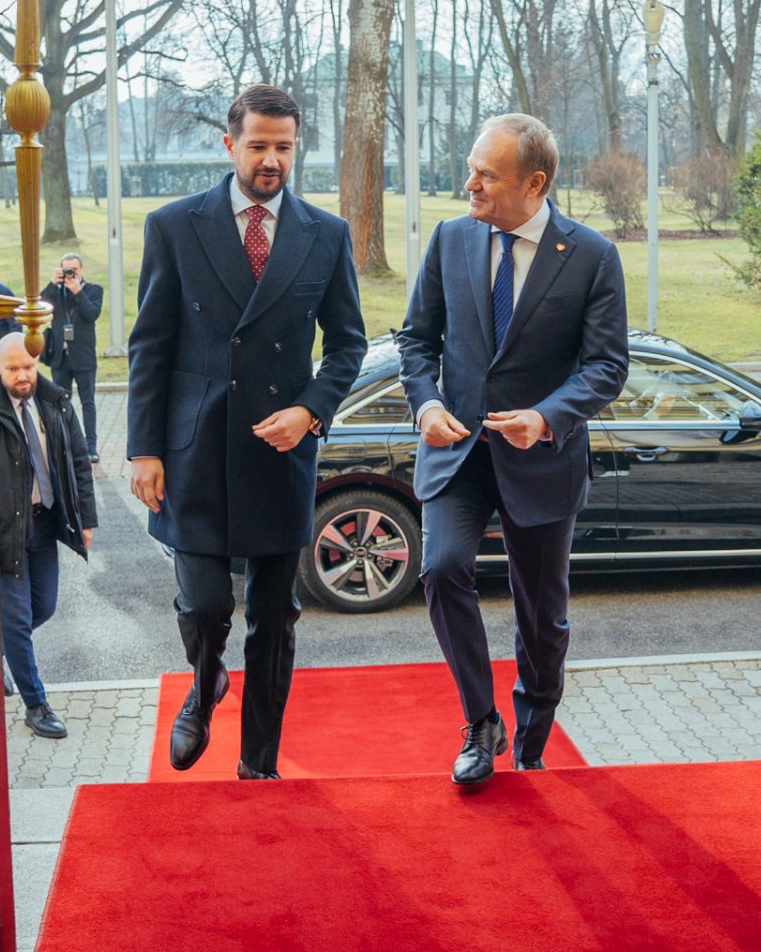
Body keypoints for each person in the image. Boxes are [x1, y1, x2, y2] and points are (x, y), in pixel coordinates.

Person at [126, 84, 368, 779]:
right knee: (204, 608)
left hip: (279, 451)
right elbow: (151, 345)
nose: (271, 159)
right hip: (193, 451)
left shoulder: (325, 234)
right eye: (258, 144)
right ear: (229, 144)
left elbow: (348, 344)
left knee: (275, 617)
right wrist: (142, 448)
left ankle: (258, 764)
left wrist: (312, 409)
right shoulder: (174, 225)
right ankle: (204, 687)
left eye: (284, 147)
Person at [396, 113, 629, 784]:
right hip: (458, 450)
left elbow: (607, 366)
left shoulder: (591, 256)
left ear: (535, 183)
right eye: (471, 167)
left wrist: (548, 416)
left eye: (486, 175)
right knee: (441, 570)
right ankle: (479, 722)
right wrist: (427, 402)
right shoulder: (449, 239)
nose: (468, 182)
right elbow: (415, 341)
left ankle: (530, 741)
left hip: (543, 460)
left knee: (542, 617)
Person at [0, 331, 97, 740]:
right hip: (6, 531)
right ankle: (36, 705)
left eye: (29, 367)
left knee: (44, 607)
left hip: (44, 523)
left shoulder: (54, 402)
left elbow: (78, 461)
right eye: (14, 368)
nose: (23, 375)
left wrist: (85, 519)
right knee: (17, 622)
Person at [42, 253, 104, 460]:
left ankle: (91, 447)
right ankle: (63, 445)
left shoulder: (94, 290)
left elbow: (92, 314)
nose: (70, 273)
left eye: (73, 270)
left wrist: (78, 291)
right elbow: (41, 304)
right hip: (60, 357)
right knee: (59, 402)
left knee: (88, 402)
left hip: (84, 357)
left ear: (81, 270)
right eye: (66, 269)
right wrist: (53, 283)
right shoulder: (57, 292)